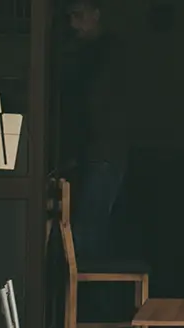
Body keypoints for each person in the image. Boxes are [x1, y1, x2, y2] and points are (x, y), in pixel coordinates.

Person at [59, 0, 128, 260]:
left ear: (96, 15)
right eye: (69, 17)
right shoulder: (92, 52)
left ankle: (90, 301)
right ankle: (90, 299)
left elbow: (91, 102)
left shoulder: (107, 53)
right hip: (95, 154)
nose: (72, 23)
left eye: (78, 15)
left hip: (101, 154)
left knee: (87, 236)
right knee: (88, 235)